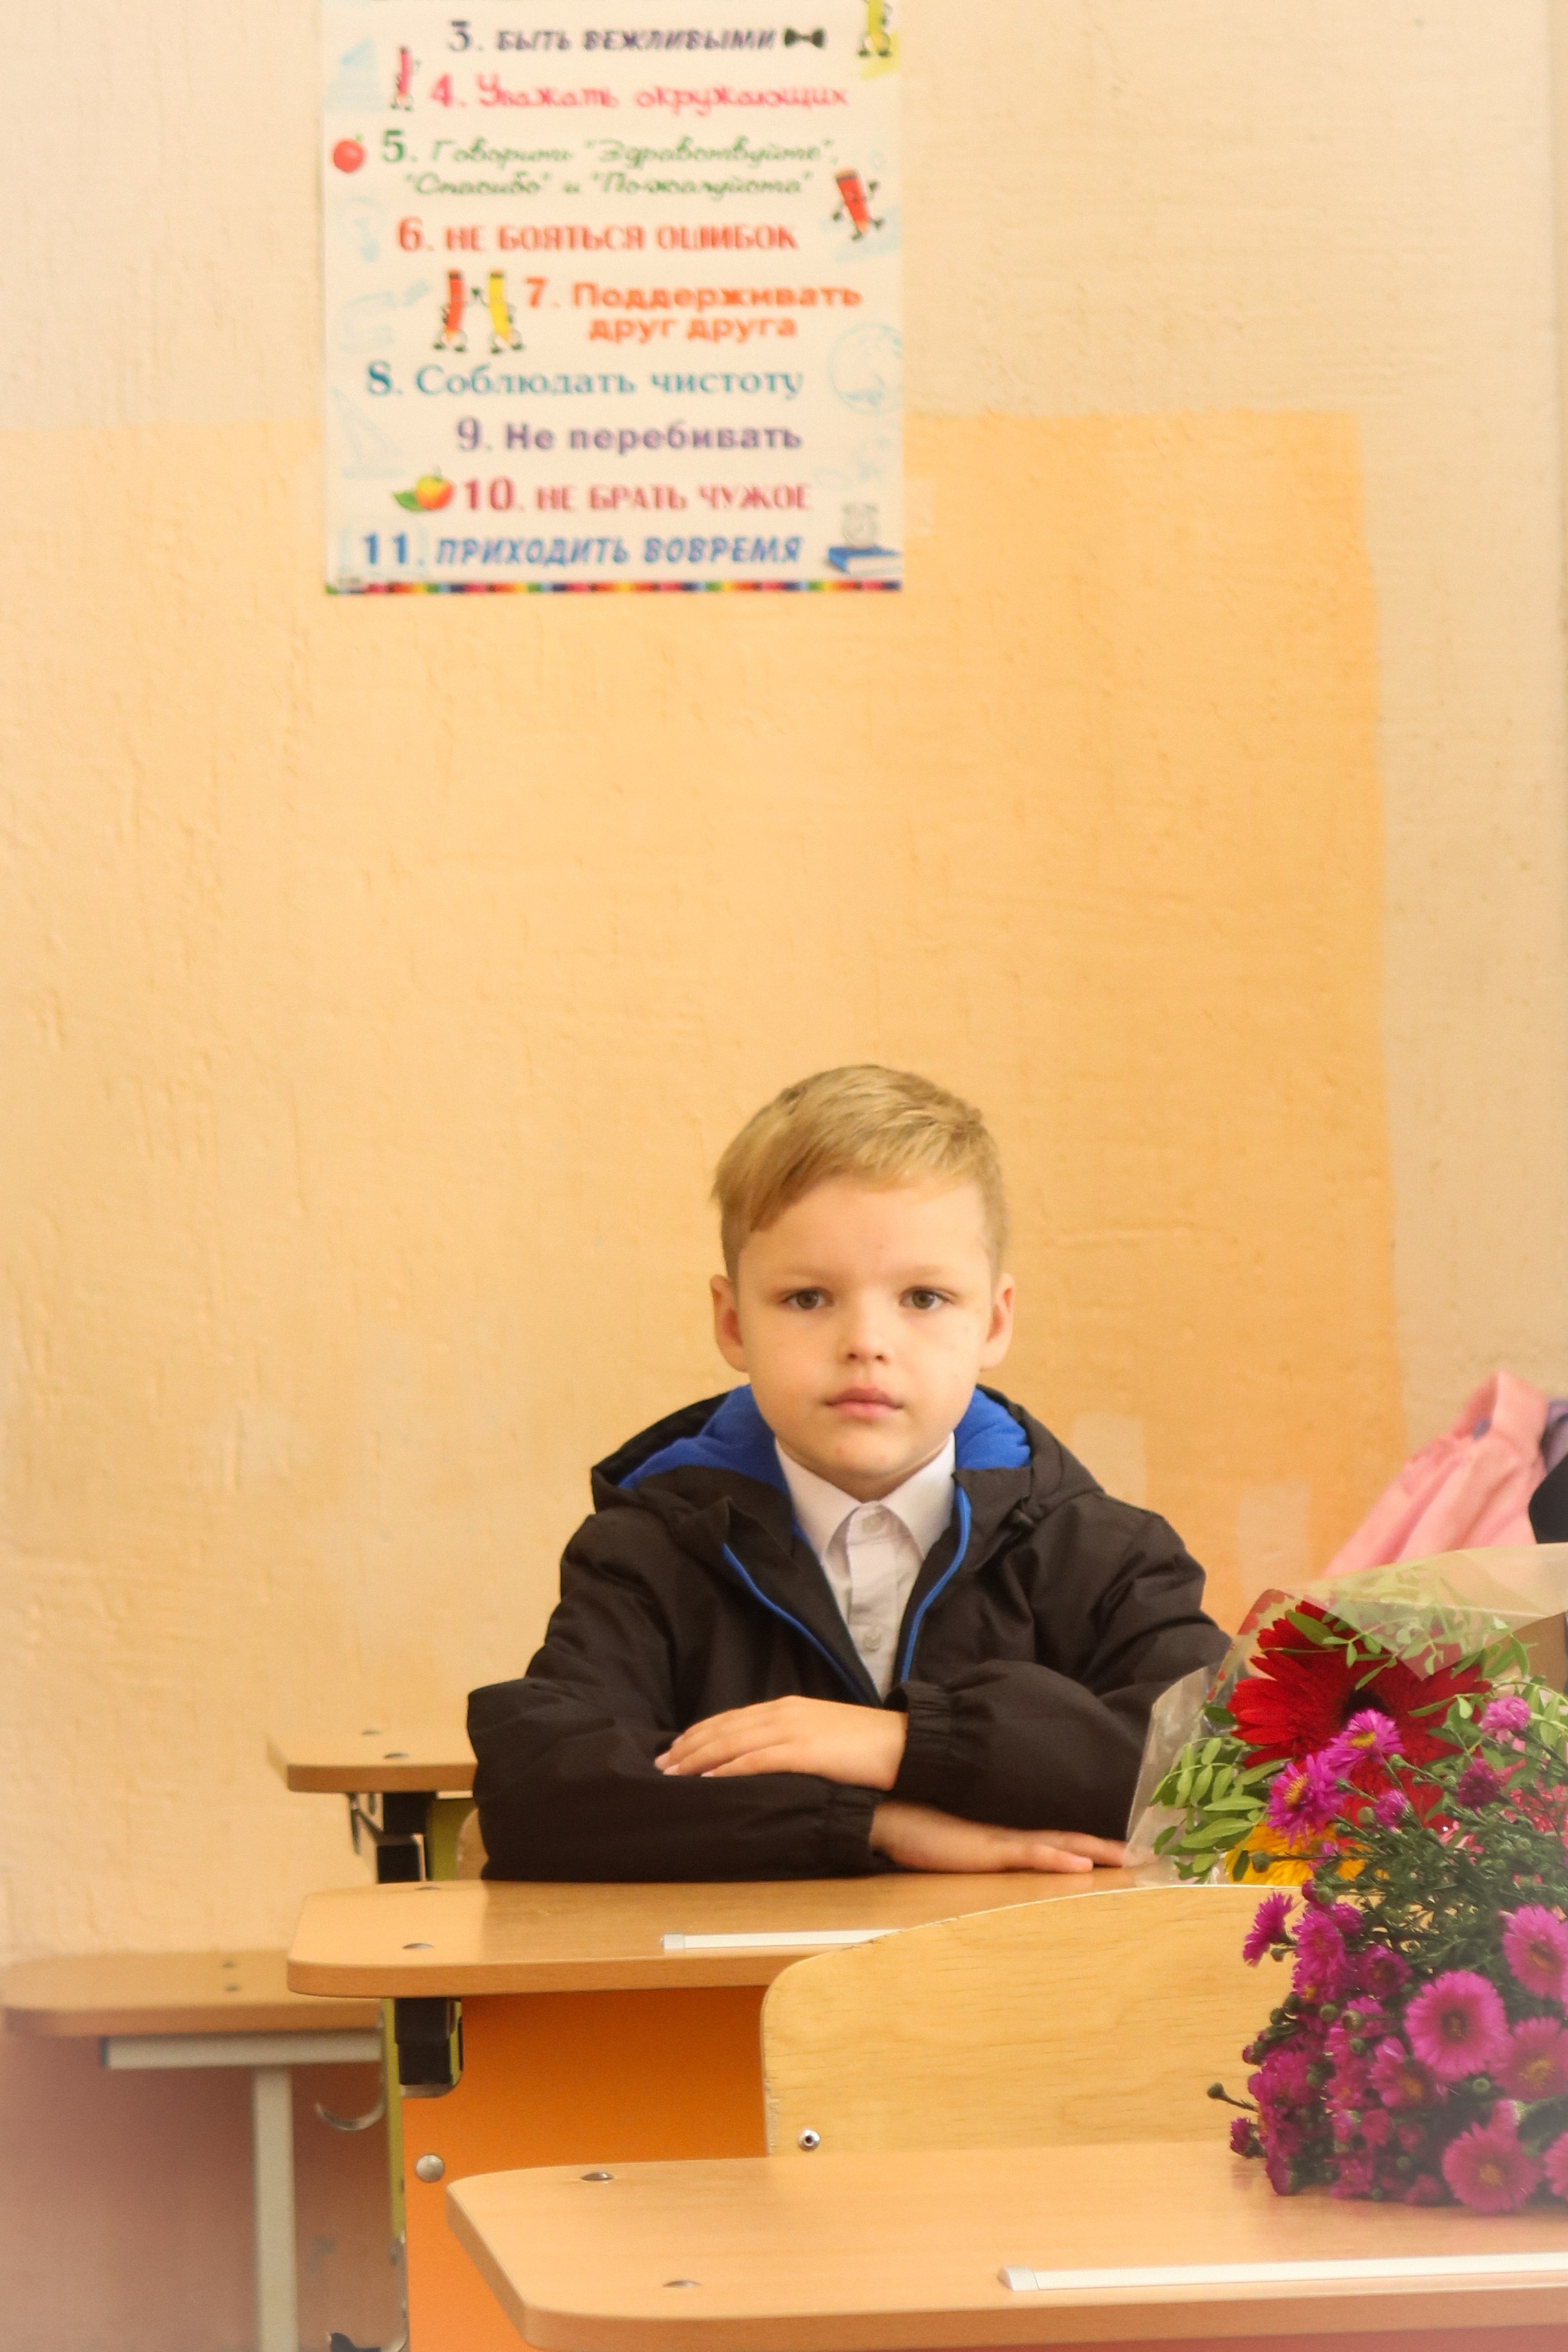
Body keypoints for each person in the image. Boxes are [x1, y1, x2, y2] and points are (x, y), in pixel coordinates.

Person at [470, 1066, 1228, 1880]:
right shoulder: (648, 1551)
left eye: (925, 1298)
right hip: (736, 2004)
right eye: (807, 1299)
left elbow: (1219, 1774)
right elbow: (537, 1789)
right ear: (733, 1322)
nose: (866, 1340)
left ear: (995, 1321)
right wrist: (874, 1823)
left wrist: (906, 1743)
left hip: (1031, 2000)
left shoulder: (1109, 1555)